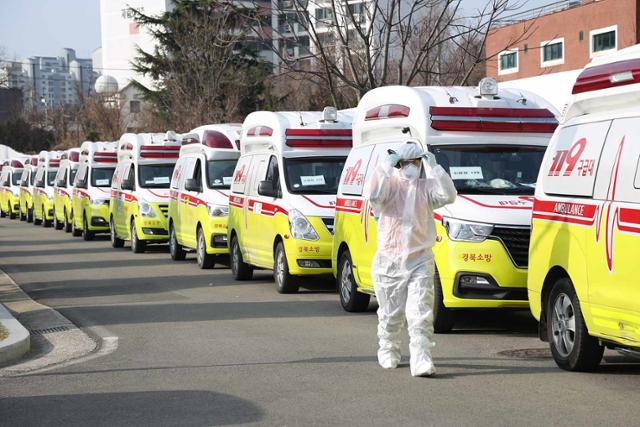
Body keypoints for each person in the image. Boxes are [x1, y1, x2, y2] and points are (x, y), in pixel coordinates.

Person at [363, 141, 457, 377]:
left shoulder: (426, 188)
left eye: (414, 163)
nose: (410, 167)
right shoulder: (389, 185)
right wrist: (385, 167)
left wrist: (434, 166)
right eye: (405, 163)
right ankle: (388, 348)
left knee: (420, 312)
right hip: (389, 260)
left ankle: (421, 358)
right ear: (398, 164)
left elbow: (449, 194)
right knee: (391, 313)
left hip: (420, 259)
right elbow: (373, 195)